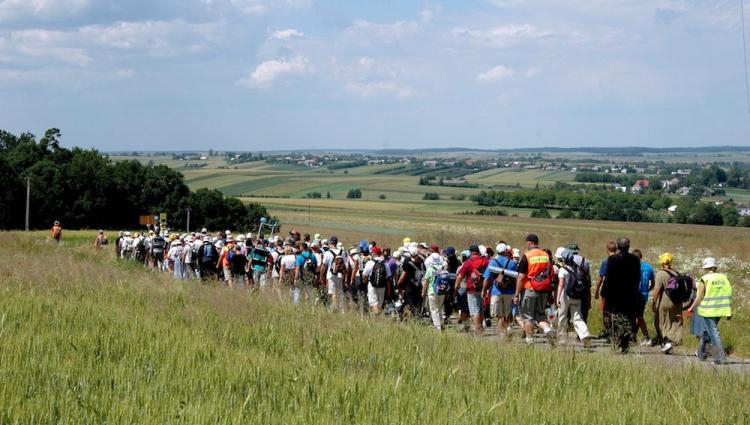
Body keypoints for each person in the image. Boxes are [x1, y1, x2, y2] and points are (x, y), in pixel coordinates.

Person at [688, 257, 732, 364]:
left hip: (708, 310)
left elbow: (699, 297)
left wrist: (691, 307)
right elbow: (729, 294)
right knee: (708, 331)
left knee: (713, 333)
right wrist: (729, 311)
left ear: (706, 268)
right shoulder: (724, 278)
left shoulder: (705, 279)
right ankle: (701, 354)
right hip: (721, 309)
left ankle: (720, 358)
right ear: (715, 267)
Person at [601, 237, 641, 353]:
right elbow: (637, 277)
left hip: (615, 293)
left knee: (616, 317)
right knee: (629, 317)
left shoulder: (612, 259)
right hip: (630, 293)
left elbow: (608, 277)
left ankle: (618, 339)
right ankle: (625, 341)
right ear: (628, 247)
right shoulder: (635, 259)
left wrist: (604, 292)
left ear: (618, 247)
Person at [513, 234, 556, 344]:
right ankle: (547, 330)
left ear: (529, 243)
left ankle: (529, 340)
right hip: (543, 290)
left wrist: (517, 294)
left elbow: (521, 277)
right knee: (540, 316)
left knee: (528, 317)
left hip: (529, 289)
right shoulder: (546, 256)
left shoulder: (527, 256)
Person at [555, 249, 591, 344]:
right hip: (576, 295)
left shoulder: (563, 270)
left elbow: (561, 285)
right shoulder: (577, 269)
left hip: (565, 296)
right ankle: (584, 334)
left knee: (562, 316)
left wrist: (558, 298)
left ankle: (562, 338)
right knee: (577, 317)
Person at [483, 243, 517, 339]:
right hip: (509, 292)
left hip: (496, 291)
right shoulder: (512, 263)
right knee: (507, 314)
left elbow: (487, 278)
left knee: (499, 316)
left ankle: (502, 335)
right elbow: (516, 279)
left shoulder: (493, 262)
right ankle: (506, 331)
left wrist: (484, 290)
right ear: (506, 251)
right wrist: (516, 293)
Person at [652, 252, 683, 354]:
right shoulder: (676, 273)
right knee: (673, 322)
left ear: (662, 262)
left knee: (661, 322)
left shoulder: (661, 273)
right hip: (677, 303)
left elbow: (657, 290)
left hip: (665, 302)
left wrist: (654, 303)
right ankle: (670, 342)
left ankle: (666, 342)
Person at [455, 244, 489, 335]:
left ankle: (478, 329)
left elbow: (460, 276)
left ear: (470, 252)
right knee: (481, 308)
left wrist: (456, 286)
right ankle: (481, 326)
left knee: (475, 310)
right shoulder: (485, 261)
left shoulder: (468, 262)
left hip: (471, 289)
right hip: (483, 288)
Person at [631, 249, 654, 346]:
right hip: (644, 295)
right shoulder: (649, 267)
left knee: (637, 317)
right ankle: (633, 337)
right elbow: (653, 283)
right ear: (641, 257)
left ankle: (647, 337)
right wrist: (648, 290)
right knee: (637, 316)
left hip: (634, 295)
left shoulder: (631, 267)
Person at [594, 241, 617, 338]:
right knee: (616, 311)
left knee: (606, 311)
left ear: (607, 250)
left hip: (607, 290)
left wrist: (596, 290)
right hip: (618, 290)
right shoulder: (620, 261)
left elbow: (600, 278)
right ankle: (616, 332)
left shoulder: (605, 262)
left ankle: (609, 332)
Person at [422, 252, 448, 330]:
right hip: (442, 291)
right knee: (440, 309)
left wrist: (423, 291)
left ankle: (437, 327)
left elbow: (426, 282)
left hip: (432, 291)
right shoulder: (443, 268)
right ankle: (442, 324)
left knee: (434, 310)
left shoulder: (430, 269)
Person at [321, 236, 347, 313]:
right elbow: (345, 265)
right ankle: (341, 310)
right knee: (340, 291)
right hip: (340, 275)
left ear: (330, 243)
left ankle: (334, 308)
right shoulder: (342, 252)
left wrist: (321, 276)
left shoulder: (328, 253)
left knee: (332, 292)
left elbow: (324, 266)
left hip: (331, 275)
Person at [363, 246, 390, 314]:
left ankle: (376, 319)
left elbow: (364, 275)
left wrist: (365, 283)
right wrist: (388, 290)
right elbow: (388, 277)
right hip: (382, 286)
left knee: (373, 303)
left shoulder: (370, 262)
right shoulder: (385, 263)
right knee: (380, 304)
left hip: (372, 285)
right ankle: (378, 319)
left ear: (374, 253)